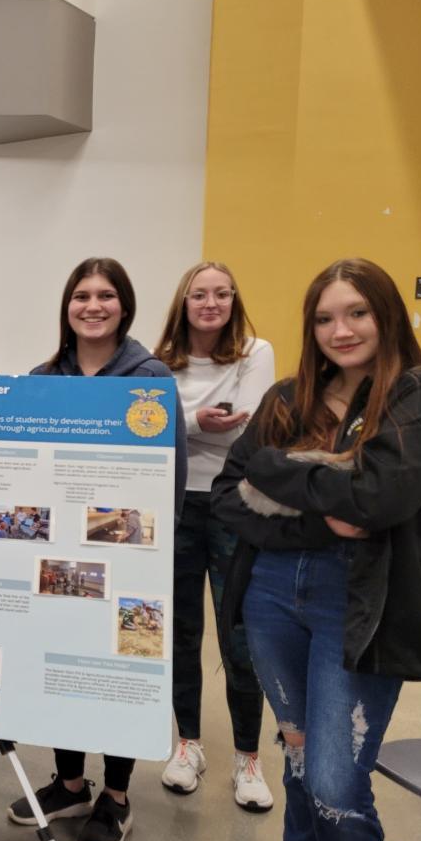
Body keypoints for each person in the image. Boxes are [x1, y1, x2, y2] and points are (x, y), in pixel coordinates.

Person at [211, 259, 421, 841]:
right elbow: (228, 494)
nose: (342, 330)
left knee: (337, 783)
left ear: (386, 313)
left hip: (357, 603)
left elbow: (379, 499)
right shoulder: (289, 399)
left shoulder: (416, 396)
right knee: (301, 765)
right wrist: (318, 513)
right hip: (273, 595)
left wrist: (275, 469)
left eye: (357, 312)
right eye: (325, 318)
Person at [8, 257, 187, 841]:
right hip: (59, 556)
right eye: (81, 295)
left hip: (126, 556)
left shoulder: (150, 378)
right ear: (67, 307)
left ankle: (116, 795)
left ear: (124, 306)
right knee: (62, 664)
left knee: (115, 672)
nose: (93, 306)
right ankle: (69, 784)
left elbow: (172, 474)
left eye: (105, 295)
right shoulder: (42, 378)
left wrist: (155, 559)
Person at [152, 260, 276, 810]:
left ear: (233, 300)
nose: (211, 303)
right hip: (176, 503)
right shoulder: (158, 362)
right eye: (200, 294)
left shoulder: (255, 352)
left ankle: (248, 758)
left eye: (222, 294)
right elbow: (147, 426)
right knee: (181, 633)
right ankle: (189, 745)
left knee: (239, 636)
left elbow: (253, 429)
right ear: (184, 302)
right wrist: (199, 422)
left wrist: (183, 424)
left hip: (234, 505)